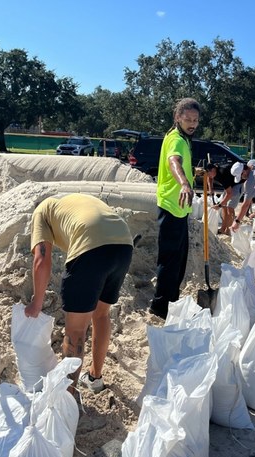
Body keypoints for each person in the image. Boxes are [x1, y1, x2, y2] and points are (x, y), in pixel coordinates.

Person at [24, 194, 133, 394]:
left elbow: (41, 258)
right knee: (101, 314)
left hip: (91, 245)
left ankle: (67, 396)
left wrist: (37, 302)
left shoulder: (41, 212)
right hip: (124, 244)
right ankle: (95, 378)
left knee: (75, 331)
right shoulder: (71, 203)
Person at [150, 98, 200, 318]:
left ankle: (171, 301)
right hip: (172, 206)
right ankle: (161, 306)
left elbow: (182, 164)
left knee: (178, 261)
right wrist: (184, 184)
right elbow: (174, 163)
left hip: (179, 209)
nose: (192, 123)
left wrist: (196, 173)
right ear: (177, 118)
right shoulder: (177, 140)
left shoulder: (183, 139)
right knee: (170, 261)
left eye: (195, 120)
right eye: (187, 119)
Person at [205, 162, 243, 235]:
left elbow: (230, 194)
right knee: (224, 206)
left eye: (209, 173)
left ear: (213, 170)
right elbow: (208, 177)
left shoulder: (222, 175)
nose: (209, 175)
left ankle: (229, 231)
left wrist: (219, 205)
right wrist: (211, 188)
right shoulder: (213, 172)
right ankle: (223, 228)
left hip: (237, 183)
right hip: (229, 184)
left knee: (230, 207)